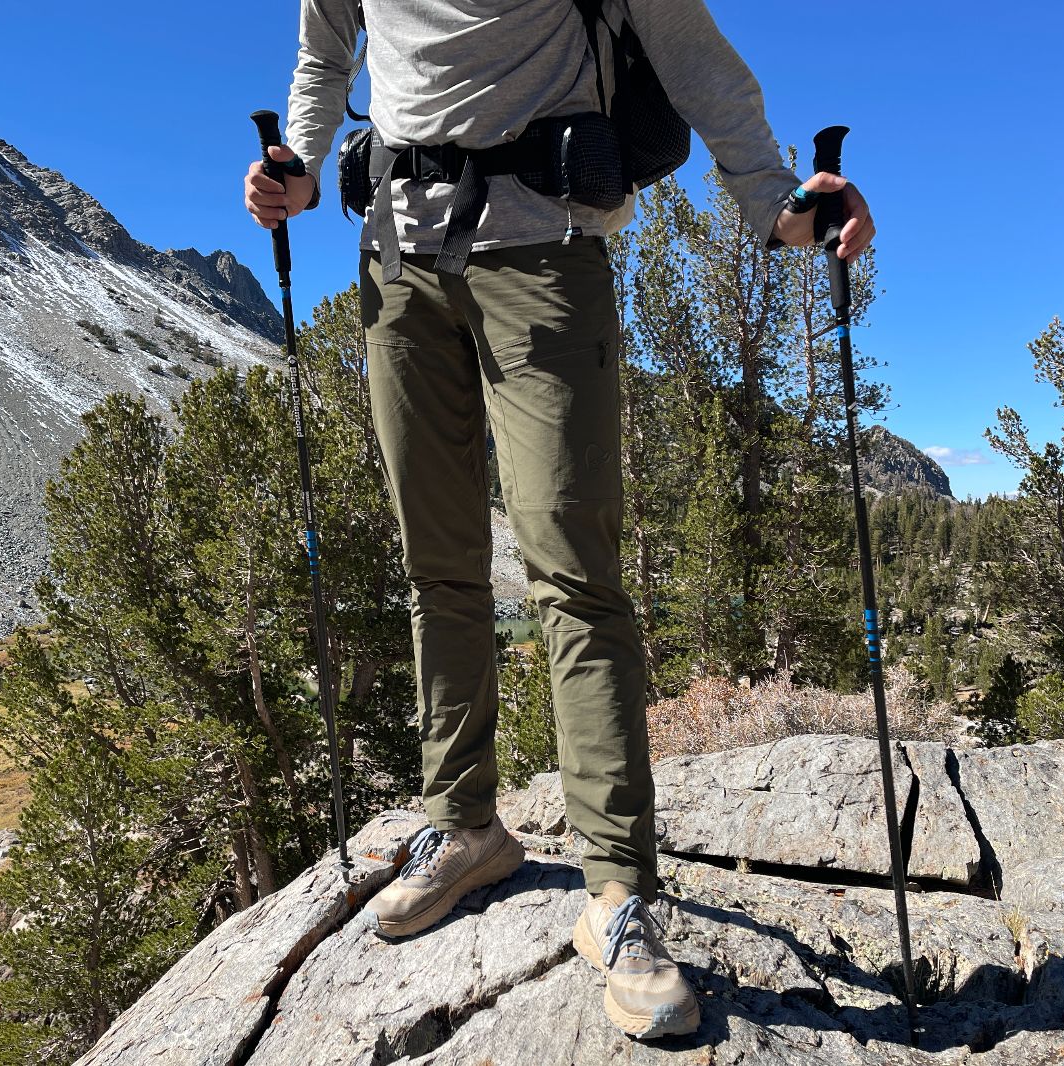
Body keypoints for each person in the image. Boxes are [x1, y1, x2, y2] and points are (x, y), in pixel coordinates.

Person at [243, 0, 874, 1041]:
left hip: (542, 256)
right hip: (395, 267)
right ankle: (464, 824)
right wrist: (300, 161)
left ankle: (618, 894)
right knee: (436, 566)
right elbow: (325, 55)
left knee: (571, 573)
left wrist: (774, 199)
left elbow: (698, 61)